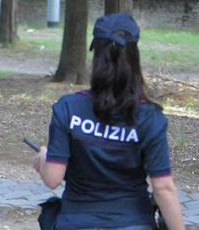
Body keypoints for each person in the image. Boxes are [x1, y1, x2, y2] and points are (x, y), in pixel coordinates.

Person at [32, 12, 185, 230]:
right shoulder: (150, 117)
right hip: (133, 223)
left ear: (96, 57)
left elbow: (52, 179)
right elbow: (163, 188)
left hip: (75, 223)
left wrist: (45, 157)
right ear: (134, 58)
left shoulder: (68, 108)